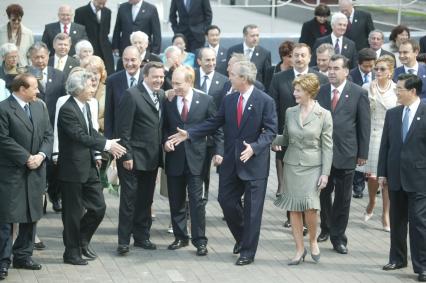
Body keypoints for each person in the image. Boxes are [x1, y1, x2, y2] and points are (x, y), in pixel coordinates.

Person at [168, 60, 278, 266]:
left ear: (243, 78)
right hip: (231, 161)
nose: (229, 78)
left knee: (253, 210)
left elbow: (271, 131)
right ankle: (243, 238)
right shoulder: (229, 100)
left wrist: (255, 147)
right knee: (226, 201)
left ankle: (247, 252)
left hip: (254, 163)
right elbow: (214, 122)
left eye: (233, 74)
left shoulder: (265, 101)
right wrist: (190, 133)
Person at [57, 69, 126, 265]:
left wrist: (107, 143)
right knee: (72, 213)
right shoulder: (68, 109)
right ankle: (71, 253)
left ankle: (81, 240)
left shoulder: (86, 106)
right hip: (72, 170)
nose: (93, 89)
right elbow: (79, 136)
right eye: (89, 85)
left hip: (88, 167)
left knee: (98, 207)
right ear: (78, 88)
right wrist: (106, 145)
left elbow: (92, 132)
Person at [272, 73, 333, 265]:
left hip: (313, 166)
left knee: (311, 208)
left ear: (308, 92)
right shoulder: (290, 111)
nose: (294, 93)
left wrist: (325, 173)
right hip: (292, 166)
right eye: (295, 90)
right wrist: (270, 140)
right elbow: (286, 138)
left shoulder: (324, 114)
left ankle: (313, 240)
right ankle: (299, 249)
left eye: (298, 90)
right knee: (294, 210)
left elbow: (328, 146)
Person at [163, 65, 223, 256]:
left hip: (198, 160)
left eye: (178, 83)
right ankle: (180, 237)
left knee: (197, 202)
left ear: (190, 82)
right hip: (175, 158)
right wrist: (166, 142)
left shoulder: (205, 100)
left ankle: (200, 240)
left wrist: (218, 151)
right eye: (173, 82)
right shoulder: (169, 100)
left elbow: (217, 128)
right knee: (176, 200)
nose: (175, 87)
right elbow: (164, 127)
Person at [316, 55, 371, 254]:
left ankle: (338, 237)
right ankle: (326, 228)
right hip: (322, 155)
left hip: (347, 153)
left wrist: (362, 152)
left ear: (346, 71)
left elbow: (364, 125)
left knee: (343, 199)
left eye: (336, 68)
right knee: (323, 195)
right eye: (329, 68)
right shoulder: (320, 92)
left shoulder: (358, 93)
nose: (331, 71)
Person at [0, 73, 53, 276]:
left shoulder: (39, 106)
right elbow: (3, 139)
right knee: (6, 218)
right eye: (34, 87)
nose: (38, 91)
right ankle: (3, 261)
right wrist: (26, 157)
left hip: (35, 171)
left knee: (32, 214)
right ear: (22, 89)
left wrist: (40, 156)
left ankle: (23, 256)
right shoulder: (4, 109)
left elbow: (48, 134)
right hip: (11, 172)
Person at [377, 73, 426, 282]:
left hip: (419, 178)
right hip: (395, 176)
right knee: (397, 221)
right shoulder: (394, 114)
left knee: (418, 223)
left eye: (400, 89)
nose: (396, 92)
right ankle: (397, 258)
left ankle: (422, 266)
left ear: (413, 91)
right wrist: (382, 173)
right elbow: (385, 146)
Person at [116, 61, 165, 255]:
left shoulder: (161, 95)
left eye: (161, 77)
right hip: (133, 159)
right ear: (145, 76)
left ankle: (142, 237)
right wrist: (126, 155)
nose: (159, 80)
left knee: (145, 200)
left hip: (151, 159)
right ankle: (123, 241)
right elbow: (123, 128)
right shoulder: (132, 95)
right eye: (155, 77)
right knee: (129, 200)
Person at [269, 43, 328, 201]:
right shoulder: (278, 78)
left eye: (303, 55)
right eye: (296, 55)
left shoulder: (322, 79)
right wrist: (274, 135)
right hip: (287, 135)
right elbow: (272, 108)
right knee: (289, 179)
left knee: (310, 182)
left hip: (312, 139)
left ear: (310, 58)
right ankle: (291, 214)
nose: (299, 58)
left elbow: (325, 109)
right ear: (291, 57)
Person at [28, 41, 67, 213]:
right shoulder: (26, 76)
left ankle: (54, 194)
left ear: (48, 56)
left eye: (43, 57)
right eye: (36, 57)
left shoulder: (58, 74)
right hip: (33, 126)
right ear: (30, 58)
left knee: (55, 164)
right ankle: (40, 199)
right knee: (39, 160)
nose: (40, 61)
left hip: (55, 125)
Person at [362, 55, 396, 232]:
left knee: (387, 179)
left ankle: (385, 215)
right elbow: (364, 112)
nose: (378, 72)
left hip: (389, 135)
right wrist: (373, 95)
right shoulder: (366, 87)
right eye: (376, 69)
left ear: (390, 72)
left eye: (382, 69)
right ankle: (371, 201)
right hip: (373, 135)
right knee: (373, 176)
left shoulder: (397, 89)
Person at [194, 47, 228, 202]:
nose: (211, 63)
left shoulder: (224, 81)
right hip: (192, 133)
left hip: (212, 137)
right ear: (199, 61)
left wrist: (219, 148)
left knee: (204, 174)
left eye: (213, 60)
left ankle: (202, 202)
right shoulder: (191, 76)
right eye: (207, 60)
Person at [104, 46, 143, 139]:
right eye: (126, 60)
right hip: (120, 138)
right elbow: (109, 112)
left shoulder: (148, 80)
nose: (129, 64)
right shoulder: (112, 80)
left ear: (140, 60)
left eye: (133, 60)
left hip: (143, 139)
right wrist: (109, 140)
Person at [74, 0, 115, 75]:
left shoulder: (107, 12)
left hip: (105, 52)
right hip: (89, 51)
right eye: (100, 3)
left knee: (108, 75)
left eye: (104, 3)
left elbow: (107, 31)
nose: (102, 6)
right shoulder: (81, 12)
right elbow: (79, 33)